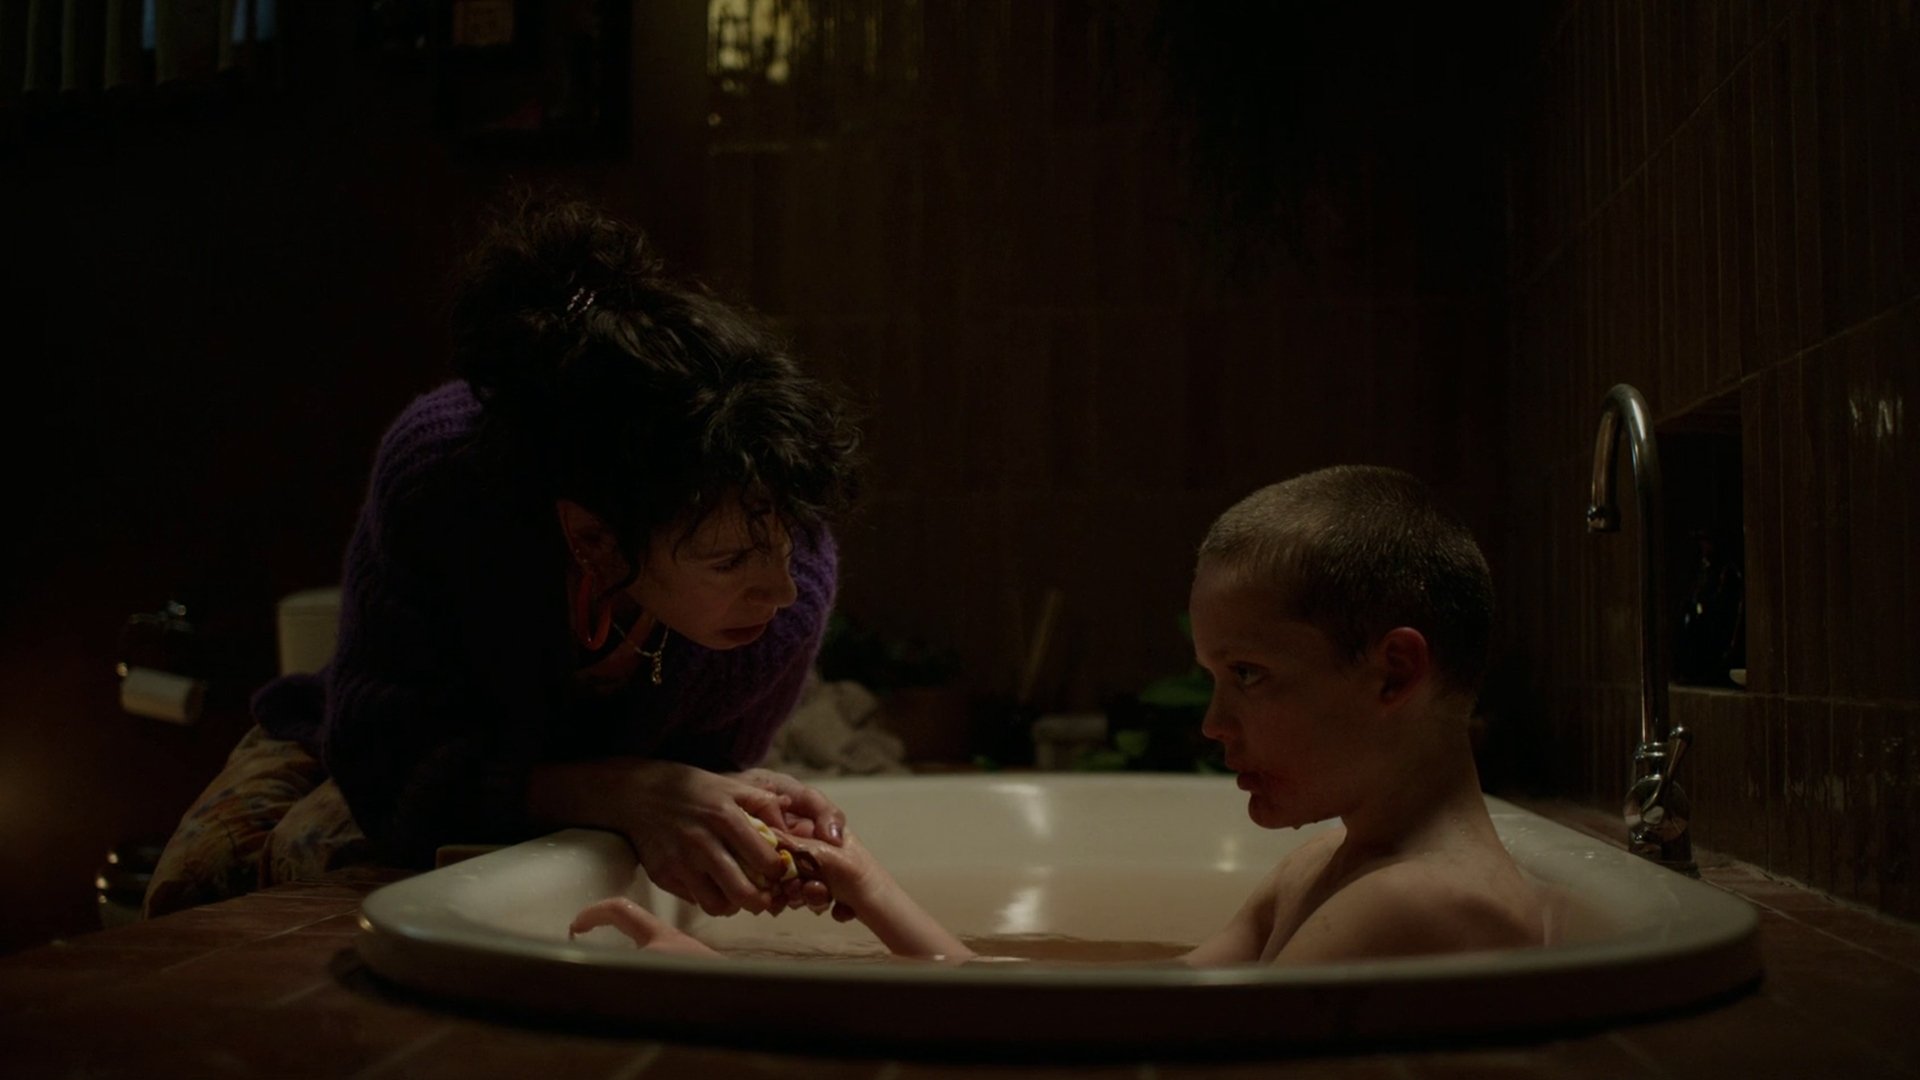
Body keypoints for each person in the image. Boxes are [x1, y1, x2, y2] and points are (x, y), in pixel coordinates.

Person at [145, 191, 861, 920]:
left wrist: (744, 813)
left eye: (783, 543)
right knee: (198, 885)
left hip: (573, 792)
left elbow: (694, 783)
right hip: (385, 741)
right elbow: (384, 765)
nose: (777, 593)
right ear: (592, 538)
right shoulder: (449, 478)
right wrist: (622, 788)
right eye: (729, 563)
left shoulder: (787, 575)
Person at [574, 465, 1544, 965]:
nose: (1213, 724)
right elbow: (1104, 1020)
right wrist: (867, 888)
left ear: (1393, 675)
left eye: (1248, 676)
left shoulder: (1420, 904)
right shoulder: (1333, 866)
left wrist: (727, 1001)